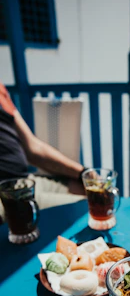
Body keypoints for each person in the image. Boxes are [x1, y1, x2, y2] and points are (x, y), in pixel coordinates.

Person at [0, 82, 88, 220]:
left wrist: (83, 173)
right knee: (86, 209)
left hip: (26, 180)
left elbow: (33, 148)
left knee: (97, 195)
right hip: (6, 195)